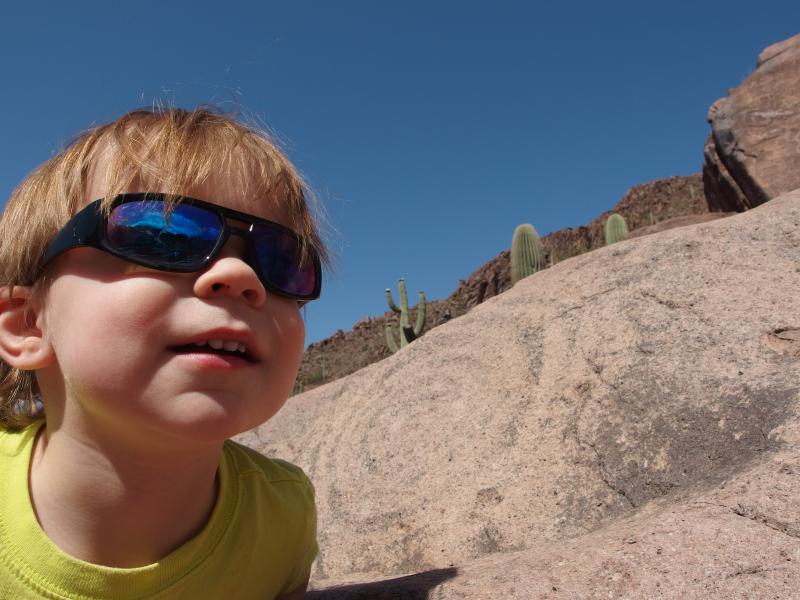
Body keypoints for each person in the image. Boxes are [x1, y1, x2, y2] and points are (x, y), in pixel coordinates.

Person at [0, 107, 328, 599]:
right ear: (28, 325)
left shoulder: (285, 516)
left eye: (283, 262)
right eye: (164, 235)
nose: (242, 277)